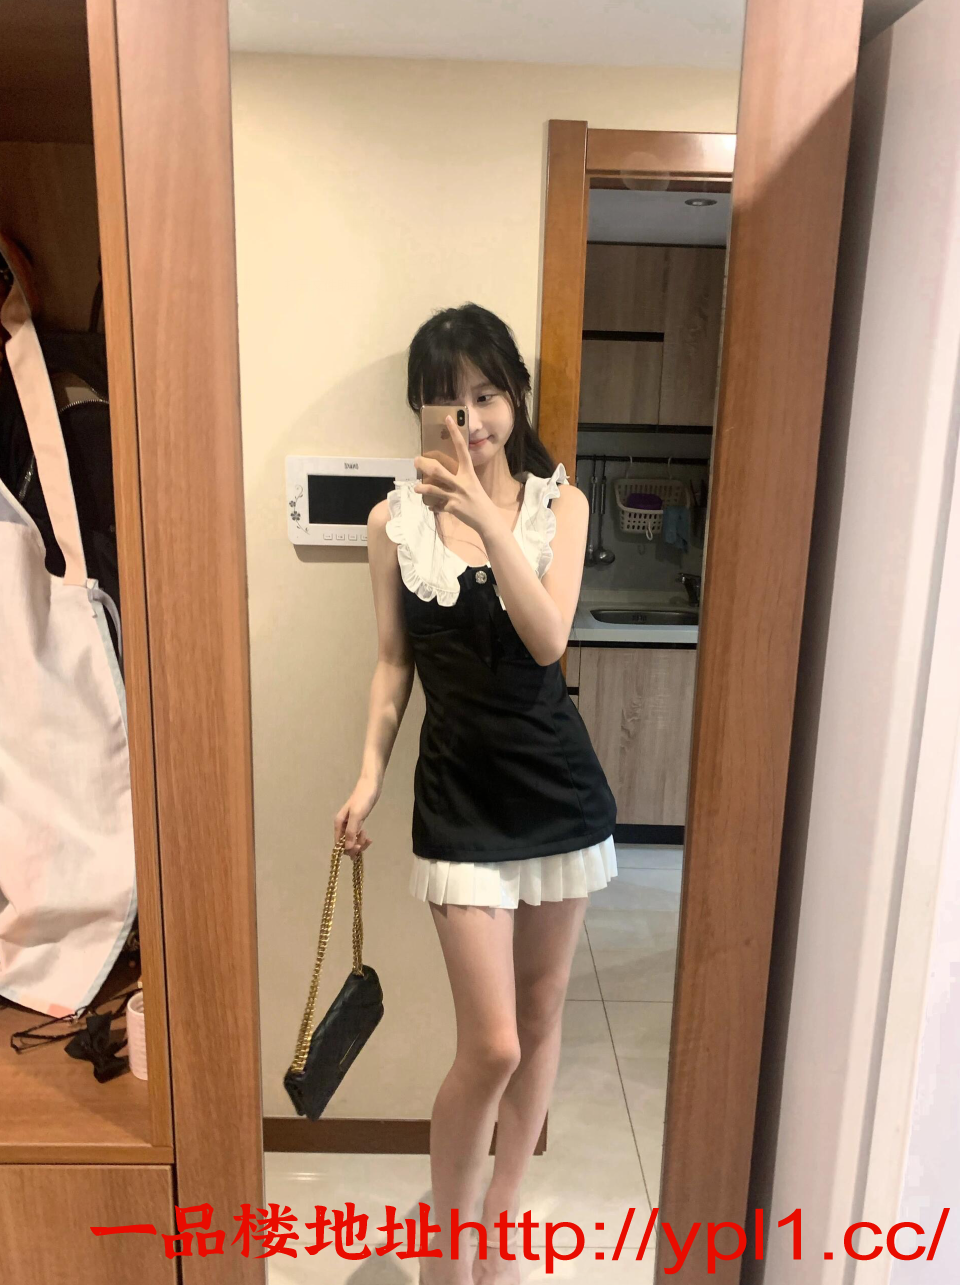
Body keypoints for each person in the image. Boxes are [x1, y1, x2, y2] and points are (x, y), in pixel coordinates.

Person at [335, 302, 618, 1285]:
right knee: (491, 1043)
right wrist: (368, 776)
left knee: (538, 1022)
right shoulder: (392, 525)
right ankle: (447, 1256)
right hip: (457, 800)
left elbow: (547, 639)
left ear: (516, 397)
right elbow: (392, 664)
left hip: (556, 794)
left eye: (486, 396)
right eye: (446, 402)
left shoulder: (560, 508)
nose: (469, 421)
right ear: (419, 410)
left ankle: (498, 1224)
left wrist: (491, 518)